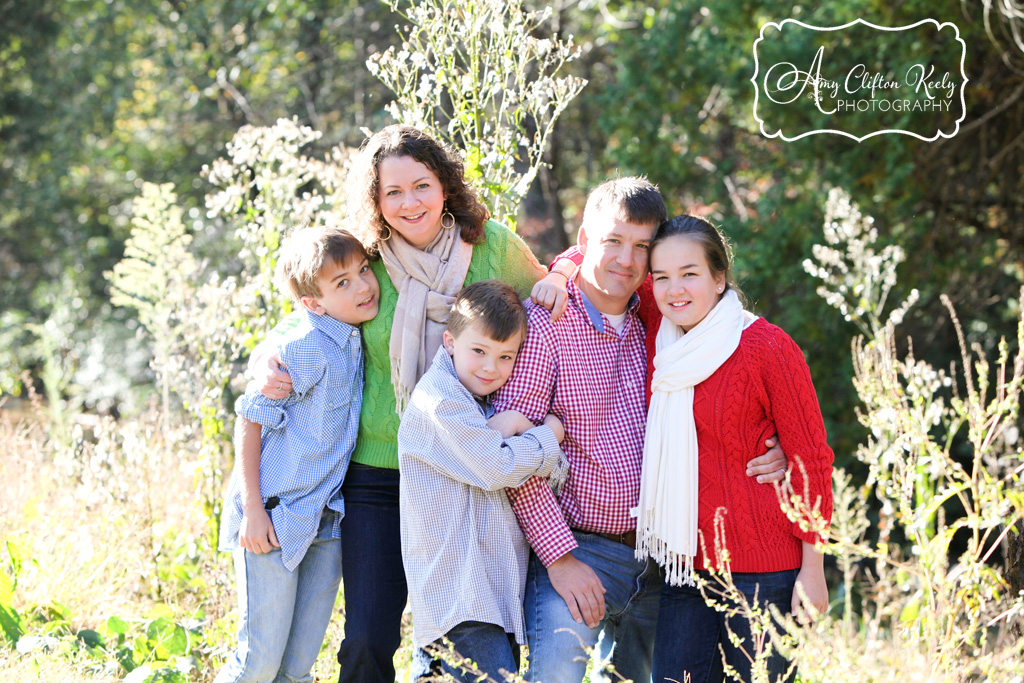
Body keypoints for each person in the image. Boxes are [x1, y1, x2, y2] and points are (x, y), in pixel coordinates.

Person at [249, 125, 550, 683]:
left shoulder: (493, 247)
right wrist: (267, 357)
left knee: (467, 638)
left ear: (445, 186)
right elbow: (308, 316)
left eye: (422, 186)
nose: (410, 203)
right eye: (393, 192)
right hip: (378, 476)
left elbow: (554, 300)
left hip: (465, 471)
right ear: (377, 201)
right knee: (366, 638)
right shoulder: (367, 263)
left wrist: (560, 281)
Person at [494, 178, 789, 683]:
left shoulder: (658, 321)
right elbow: (513, 453)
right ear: (586, 241)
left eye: (642, 248)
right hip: (576, 549)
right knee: (554, 678)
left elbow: (729, 375)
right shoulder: (544, 322)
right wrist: (560, 559)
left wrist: (775, 438)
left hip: (660, 558)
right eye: (613, 242)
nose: (626, 261)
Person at [636, 215, 833, 683]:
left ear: (719, 278)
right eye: (661, 276)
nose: (674, 289)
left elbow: (812, 460)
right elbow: (600, 259)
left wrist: (814, 568)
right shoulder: (660, 337)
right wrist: (560, 274)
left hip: (766, 573)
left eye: (690, 274)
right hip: (685, 570)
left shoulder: (767, 346)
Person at [216, 226, 380, 683]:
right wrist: (252, 510)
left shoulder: (356, 336)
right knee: (258, 663)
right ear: (313, 303)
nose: (364, 286)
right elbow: (249, 418)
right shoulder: (305, 347)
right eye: (342, 283)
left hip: (326, 521)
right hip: (273, 517)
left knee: (297, 667)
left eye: (363, 270)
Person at [398, 280, 568, 682]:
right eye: (479, 351)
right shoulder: (439, 402)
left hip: (491, 595)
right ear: (450, 341)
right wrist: (547, 435)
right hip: (458, 596)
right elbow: (495, 468)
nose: (491, 368)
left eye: (506, 356)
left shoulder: (485, 398)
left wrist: (512, 426)